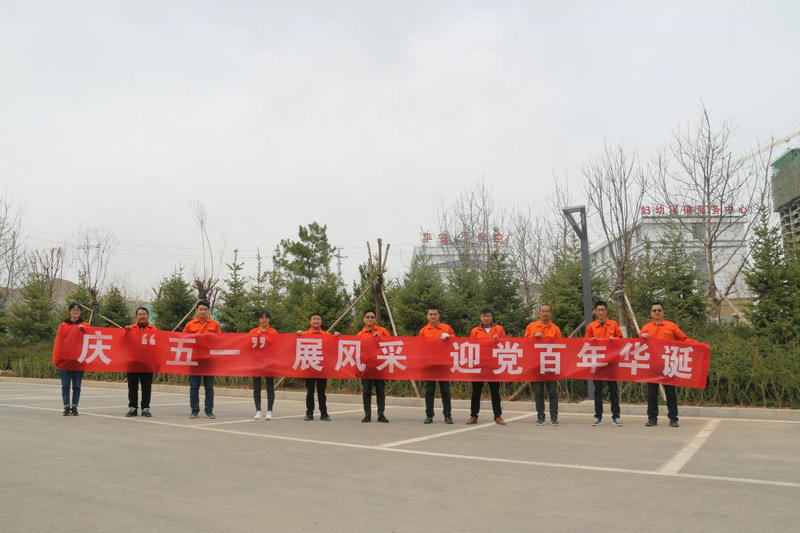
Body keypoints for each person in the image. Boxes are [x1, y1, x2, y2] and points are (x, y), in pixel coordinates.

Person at [640, 301, 694, 428]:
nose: (657, 312)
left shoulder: (671, 326)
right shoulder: (646, 327)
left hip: (668, 364)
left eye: (659, 310)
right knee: (652, 393)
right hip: (652, 364)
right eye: (654, 310)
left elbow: (683, 339)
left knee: (670, 392)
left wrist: (697, 345)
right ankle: (652, 418)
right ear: (651, 313)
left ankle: (673, 418)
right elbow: (639, 341)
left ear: (663, 312)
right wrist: (642, 336)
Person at [585, 300, 623, 427]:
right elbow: (585, 343)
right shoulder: (591, 326)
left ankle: (616, 416)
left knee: (613, 390)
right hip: (598, 363)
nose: (601, 312)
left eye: (603, 310)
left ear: (606, 311)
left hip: (611, 362)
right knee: (598, 391)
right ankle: (598, 416)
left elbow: (622, 340)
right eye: (598, 310)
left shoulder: (613, 324)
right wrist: (591, 340)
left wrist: (614, 339)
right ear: (595, 312)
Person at [524, 304, 562, 426]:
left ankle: (554, 417)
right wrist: (533, 337)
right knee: (538, 392)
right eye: (543, 311)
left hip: (551, 364)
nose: (545, 313)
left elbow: (560, 346)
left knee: (553, 392)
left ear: (551, 313)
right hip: (537, 364)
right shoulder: (531, 327)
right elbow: (525, 343)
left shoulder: (555, 329)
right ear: (538, 313)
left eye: (547, 311)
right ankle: (540, 417)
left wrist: (545, 338)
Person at [183, 300, 222, 419]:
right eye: (201, 309)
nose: (203, 312)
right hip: (194, 360)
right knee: (194, 386)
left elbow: (220, 340)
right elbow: (183, 339)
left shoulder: (214, 324)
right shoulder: (190, 324)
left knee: (209, 387)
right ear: (196, 311)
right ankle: (194, 410)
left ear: (208, 311)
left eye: (205, 309)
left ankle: (209, 411)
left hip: (209, 360)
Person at [467, 308, 506, 425]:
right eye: (484, 316)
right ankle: (473, 416)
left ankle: (498, 416)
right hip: (478, 364)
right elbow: (470, 345)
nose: (486, 318)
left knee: (495, 392)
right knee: (476, 392)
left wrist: (498, 340)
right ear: (480, 317)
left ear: (492, 317)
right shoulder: (475, 330)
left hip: (493, 365)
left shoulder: (499, 329)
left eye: (488, 316)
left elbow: (505, 343)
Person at [419, 306, 455, 424]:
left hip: (443, 363)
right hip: (430, 364)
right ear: (427, 316)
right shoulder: (423, 331)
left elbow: (455, 341)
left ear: (439, 315)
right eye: (431, 314)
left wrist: (449, 337)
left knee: (445, 390)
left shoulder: (446, 328)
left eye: (435, 314)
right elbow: (420, 347)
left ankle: (447, 415)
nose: (433, 316)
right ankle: (429, 415)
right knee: (429, 390)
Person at [297, 313, 335, 421]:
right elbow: (295, 344)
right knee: (310, 392)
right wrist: (297, 335)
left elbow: (333, 346)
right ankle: (309, 413)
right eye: (314, 319)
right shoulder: (304, 334)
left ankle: (324, 413)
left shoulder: (327, 335)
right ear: (310, 321)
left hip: (322, 368)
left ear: (321, 321)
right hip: (309, 367)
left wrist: (337, 337)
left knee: (321, 392)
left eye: (318, 319)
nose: (316, 321)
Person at [357, 310, 391, 423]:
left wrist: (380, 339)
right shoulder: (360, 334)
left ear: (375, 319)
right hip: (366, 366)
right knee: (366, 391)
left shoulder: (382, 331)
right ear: (364, 319)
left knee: (380, 390)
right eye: (367, 317)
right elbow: (357, 350)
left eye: (372, 317)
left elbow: (390, 344)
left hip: (380, 366)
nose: (370, 319)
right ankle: (367, 414)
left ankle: (381, 414)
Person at [57, 302, 88, 416]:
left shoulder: (85, 325)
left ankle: (74, 406)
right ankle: (66, 406)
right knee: (65, 385)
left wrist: (84, 330)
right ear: (69, 311)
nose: (75, 312)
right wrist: (57, 358)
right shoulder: (63, 325)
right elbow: (59, 342)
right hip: (65, 360)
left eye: (78, 310)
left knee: (77, 386)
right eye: (73, 310)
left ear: (80, 312)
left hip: (79, 361)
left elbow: (90, 339)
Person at [125, 307, 156, 418]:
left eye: (144, 314)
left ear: (148, 316)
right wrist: (126, 333)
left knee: (146, 387)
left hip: (147, 363)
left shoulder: (153, 330)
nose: (142, 316)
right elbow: (124, 343)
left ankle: (145, 408)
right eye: (140, 314)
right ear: (136, 317)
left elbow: (157, 346)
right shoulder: (130, 329)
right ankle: (133, 407)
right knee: (132, 387)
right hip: (133, 362)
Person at [249, 311, 278, 421]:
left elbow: (278, 345)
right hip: (256, 362)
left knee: (270, 386)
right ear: (259, 319)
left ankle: (269, 410)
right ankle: (258, 410)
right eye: (262, 318)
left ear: (269, 319)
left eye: (266, 318)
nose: (264, 320)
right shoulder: (253, 332)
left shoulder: (273, 332)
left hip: (269, 362)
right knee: (256, 387)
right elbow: (247, 345)